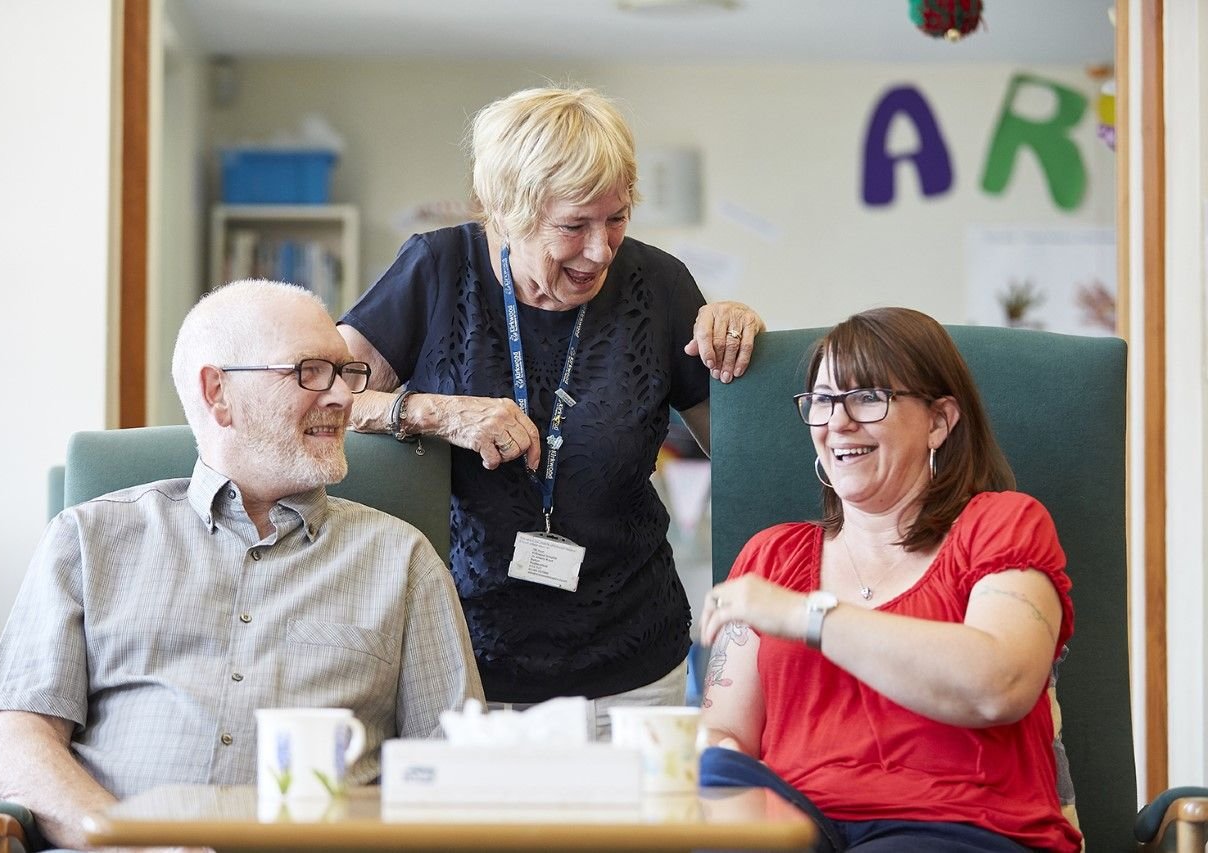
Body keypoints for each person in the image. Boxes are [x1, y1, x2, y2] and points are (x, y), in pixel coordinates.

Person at [0, 280, 483, 851]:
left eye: (346, 373)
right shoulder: (89, 539)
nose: (342, 396)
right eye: (310, 371)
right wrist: (126, 844)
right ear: (218, 392)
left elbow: (454, 769)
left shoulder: (402, 560)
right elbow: (16, 742)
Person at [337, 85, 764, 737]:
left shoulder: (660, 284)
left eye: (616, 217)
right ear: (507, 211)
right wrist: (430, 411)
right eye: (574, 225)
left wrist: (742, 348)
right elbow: (318, 398)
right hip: (465, 663)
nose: (601, 249)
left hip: (634, 667)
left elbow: (748, 452)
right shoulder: (436, 269)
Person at [698, 307, 1082, 853]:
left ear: (939, 421)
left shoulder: (1001, 524)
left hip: (957, 826)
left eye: (867, 398)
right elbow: (728, 736)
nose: (838, 422)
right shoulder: (771, 556)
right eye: (824, 401)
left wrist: (802, 616)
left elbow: (998, 686)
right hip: (796, 825)